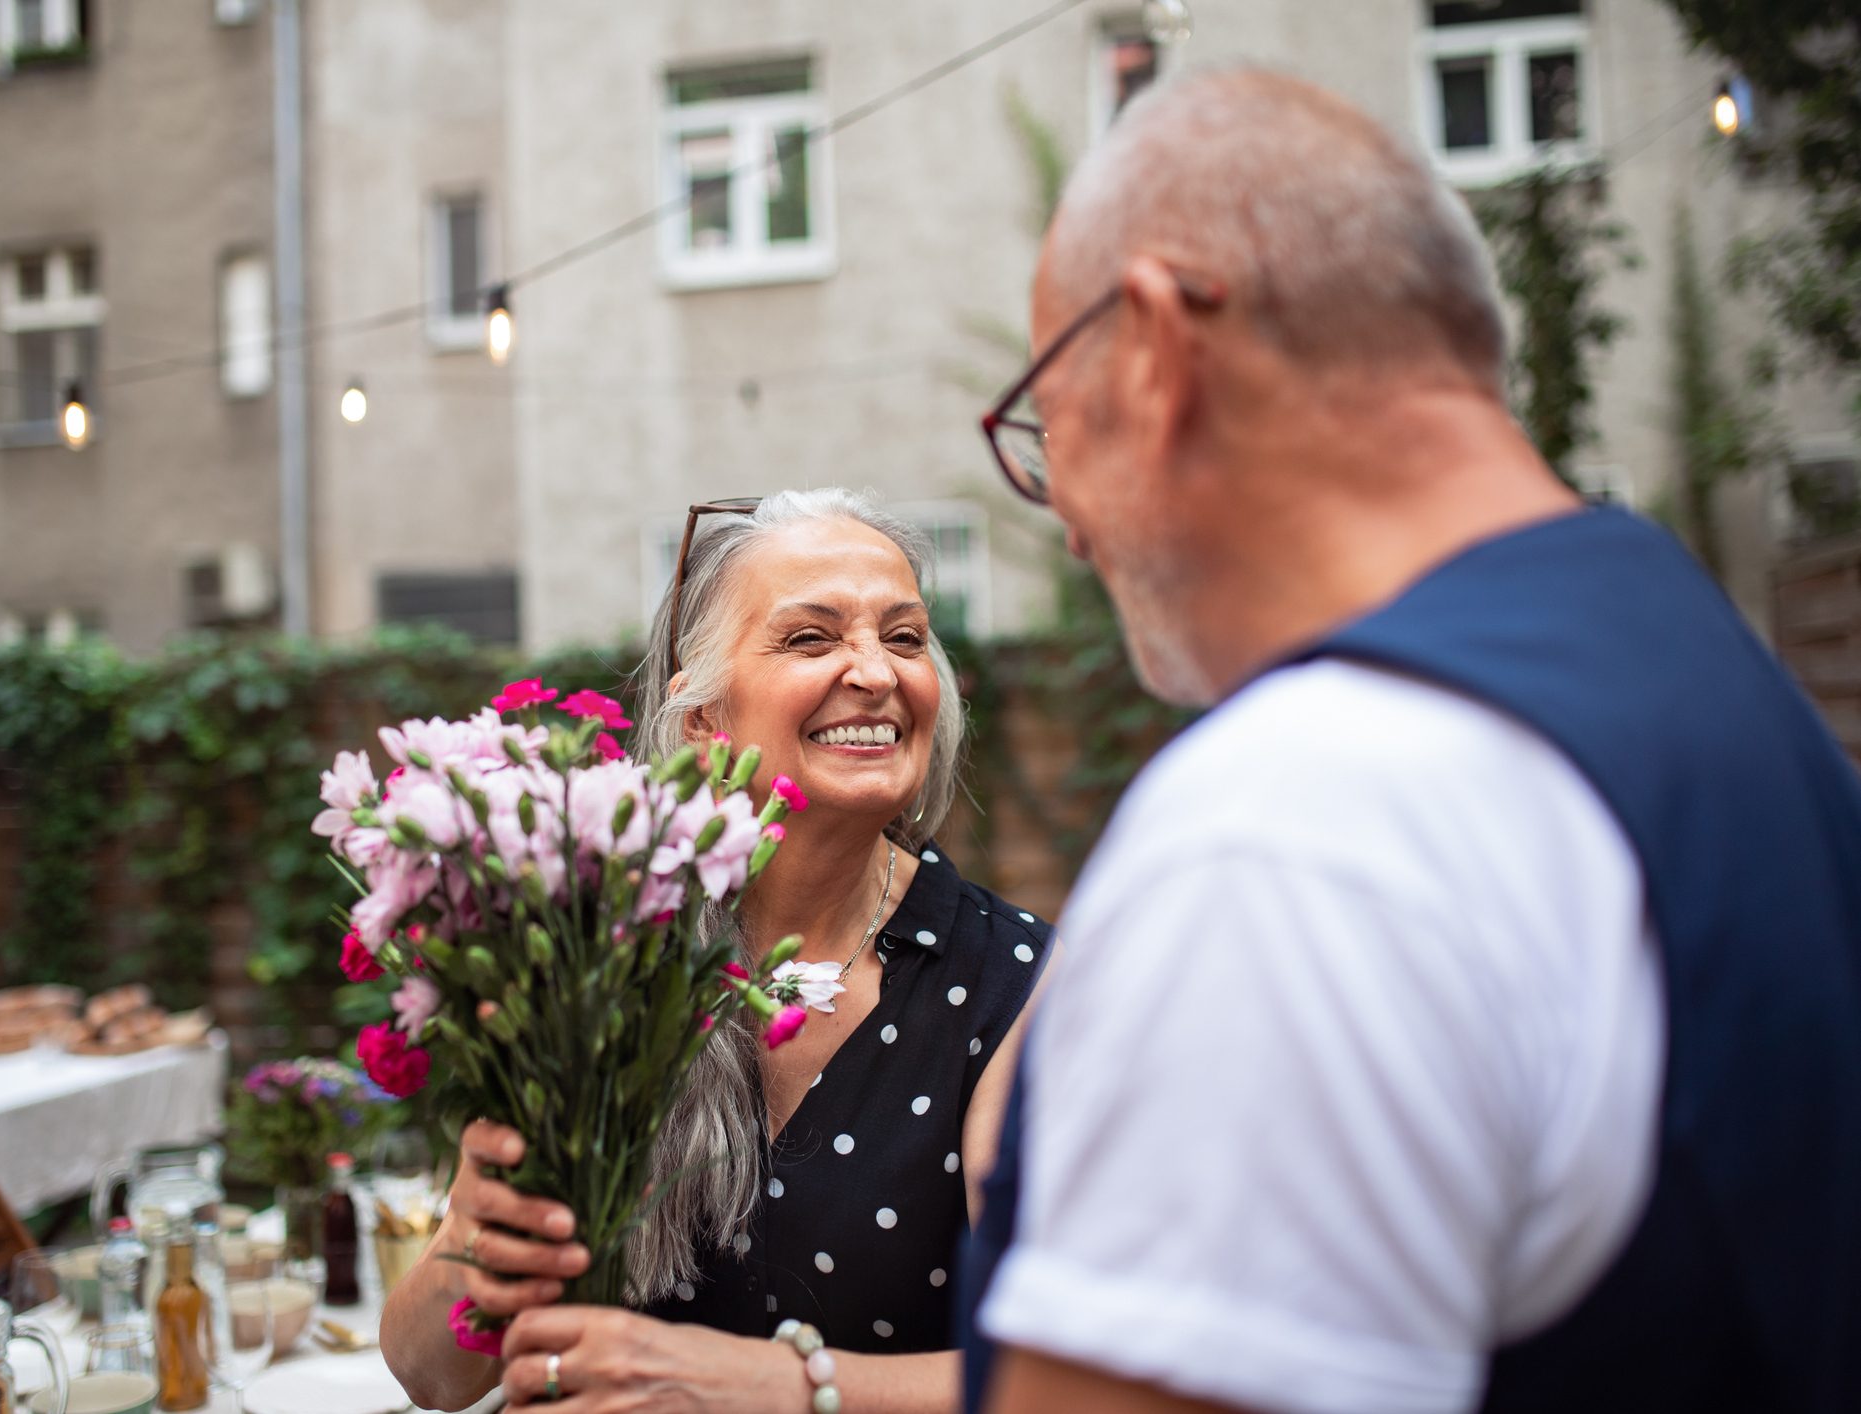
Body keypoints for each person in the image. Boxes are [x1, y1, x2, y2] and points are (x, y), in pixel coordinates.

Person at [961, 68, 1861, 1414]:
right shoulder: (1710, 663)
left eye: (1045, 423)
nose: (1065, 515)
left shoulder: (1304, 823)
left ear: (1151, 350)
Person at [382, 489, 1055, 1413]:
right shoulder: (601, 958)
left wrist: (777, 1387)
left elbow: (1059, 1381)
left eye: (904, 638)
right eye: (810, 639)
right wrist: (475, 1231)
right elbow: (432, 1374)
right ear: (703, 720)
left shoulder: (1012, 985)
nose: (874, 672)